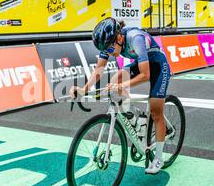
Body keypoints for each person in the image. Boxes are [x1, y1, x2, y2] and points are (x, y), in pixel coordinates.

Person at [69, 17, 171, 175]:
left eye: (110, 49)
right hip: (141, 62)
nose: (109, 53)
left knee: (157, 112)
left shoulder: (135, 38)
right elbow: (99, 70)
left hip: (158, 64)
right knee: (117, 77)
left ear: (119, 37)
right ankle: (132, 115)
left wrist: (122, 86)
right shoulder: (109, 42)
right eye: (105, 51)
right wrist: (83, 89)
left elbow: (145, 75)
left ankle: (158, 158)